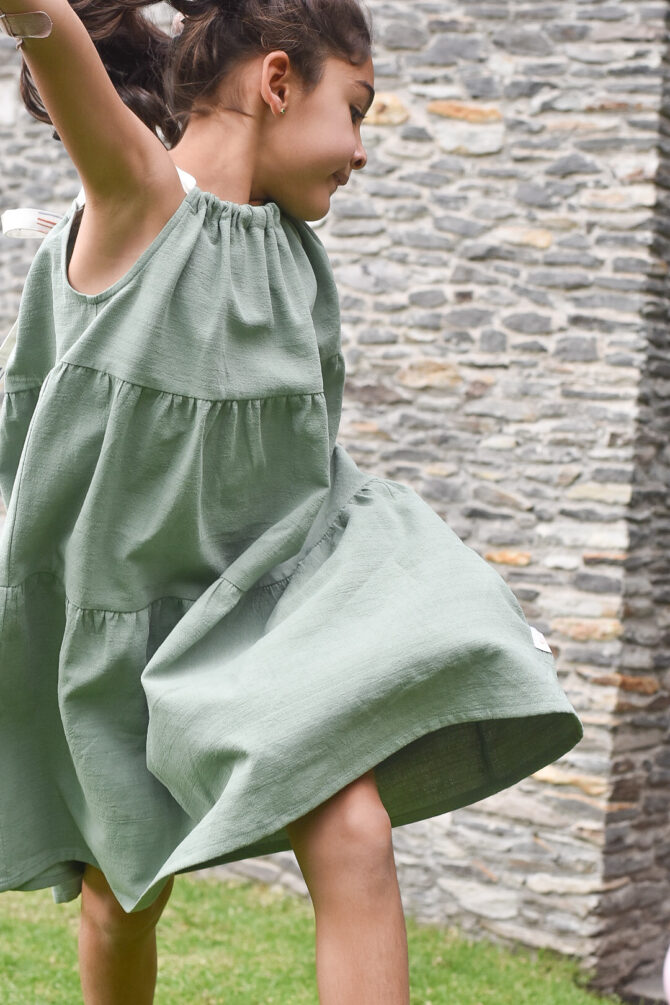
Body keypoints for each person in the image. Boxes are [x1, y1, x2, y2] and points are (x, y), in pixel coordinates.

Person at [0, 1, 583, 1002]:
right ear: (276, 83)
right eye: (354, 109)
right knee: (121, 895)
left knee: (353, 828)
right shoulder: (139, 197)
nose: (359, 150)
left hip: (267, 598)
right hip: (125, 623)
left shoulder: (290, 250)